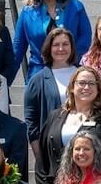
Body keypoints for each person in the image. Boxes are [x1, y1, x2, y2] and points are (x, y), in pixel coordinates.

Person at [36, 66, 101, 184]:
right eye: (81, 83)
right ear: (72, 87)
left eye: (91, 83)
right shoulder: (55, 116)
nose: (86, 87)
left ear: (98, 88)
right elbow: (42, 159)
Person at [13, 0, 92, 81]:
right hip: (38, 70)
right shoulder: (27, 12)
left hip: (70, 68)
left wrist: (70, 59)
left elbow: (85, 37)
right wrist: (6, 77)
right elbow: (18, 45)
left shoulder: (76, 6)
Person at [24, 27, 79, 163]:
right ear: (49, 48)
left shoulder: (82, 74)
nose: (61, 49)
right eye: (56, 45)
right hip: (52, 152)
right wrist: (39, 156)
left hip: (82, 146)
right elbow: (31, 122)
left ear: (72, 47)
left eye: (65, 44)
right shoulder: (38, 80)